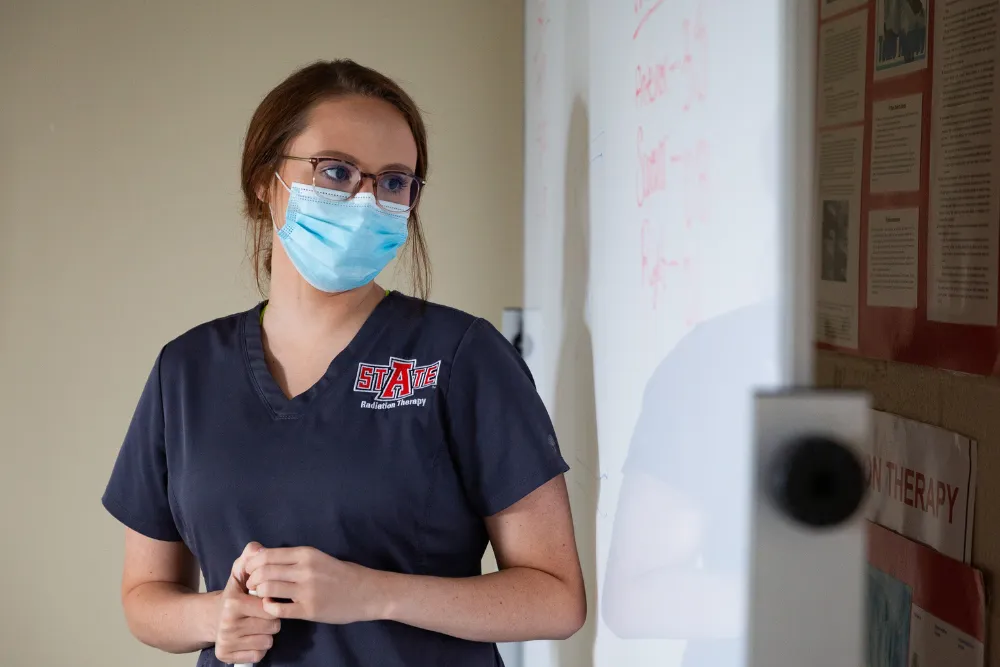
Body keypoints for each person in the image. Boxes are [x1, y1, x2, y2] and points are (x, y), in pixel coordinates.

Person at [102, 60, 585, 667]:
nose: (364, 200)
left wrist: (375, 593)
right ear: (263, 178)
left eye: (393, 182)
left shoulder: (460, 355)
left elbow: (556, 600)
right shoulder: (186, 371)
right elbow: (144, 598)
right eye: (335, 171)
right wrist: (213, 616)